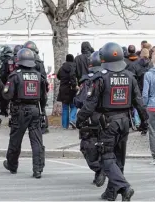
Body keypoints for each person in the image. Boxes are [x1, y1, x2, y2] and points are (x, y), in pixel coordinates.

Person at [76, 42, 148, 201]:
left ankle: (124, 187)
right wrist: (144, 122)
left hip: (107, 122)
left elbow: (90, 104)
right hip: (124, 122)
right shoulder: (130, 77)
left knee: (106, 157)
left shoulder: (100, 78)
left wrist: (79, 119)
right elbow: (139, 102)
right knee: (119, 158)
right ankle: (110, 193)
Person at [2, 48, 48, 179]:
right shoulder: (39, 76)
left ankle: (12, 165)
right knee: (37, 141)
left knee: (15, 140)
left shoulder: (15, 75)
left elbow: (7, 95)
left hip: (20, 110)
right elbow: (44, 97)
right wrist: (42, 110)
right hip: (35, 109)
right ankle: (38, 169)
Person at [75, 51, 106, 187]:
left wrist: (79, 118)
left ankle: (99, 169)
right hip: (107, 119)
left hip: (91, 119)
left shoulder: (89, 80)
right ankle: (101, 171)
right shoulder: (108, 76)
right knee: (104, 147)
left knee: (87, 146)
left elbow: (80, 100)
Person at [23, 41, 49, 134]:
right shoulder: (39, 62)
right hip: (38, 87)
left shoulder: (24, 61)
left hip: (29, 87)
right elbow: (43, 77)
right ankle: (43, 126)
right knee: (41, 107)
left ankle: (41, 125)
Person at [57, 54, 78, 129]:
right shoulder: (73, 66)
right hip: (71, 89)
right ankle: (72, 119)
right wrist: (74, 85)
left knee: (65, 107)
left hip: (63, 89)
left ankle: (64, 125)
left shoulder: (62, 67)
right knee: (74, 105)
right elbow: (73, 76)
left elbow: (58, 76)